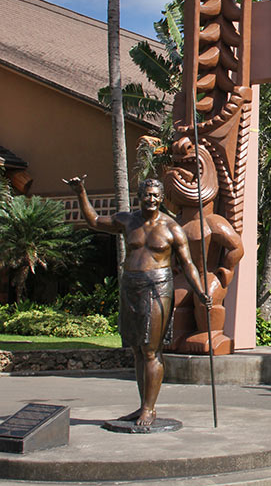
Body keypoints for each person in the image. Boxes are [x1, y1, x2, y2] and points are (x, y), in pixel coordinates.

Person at [64, 176, 209, 427]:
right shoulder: (127, 220)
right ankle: (143, 404)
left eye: (155, 195)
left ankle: (149, 410)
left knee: (151, 350)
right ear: (139, 196)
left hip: (158, 287)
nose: (150, 199)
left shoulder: (172, 227)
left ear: (161, 198)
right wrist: (81, 193)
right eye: (146, 194)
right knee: (137, 350)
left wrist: (200, 291)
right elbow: (95, 221)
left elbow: (188, 265)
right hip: (130, 286)